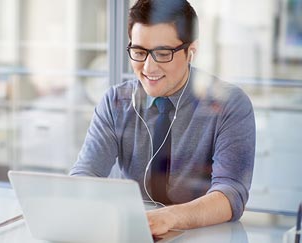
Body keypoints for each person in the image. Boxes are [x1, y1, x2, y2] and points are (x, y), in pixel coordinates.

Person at [69, 0, 255, 237]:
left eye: (163, 53)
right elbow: (87, 173)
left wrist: (169, 217)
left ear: (191, 52)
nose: (149, 67)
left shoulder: (229, 104)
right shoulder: (116, 102)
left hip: (204, 235)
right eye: (138, 52)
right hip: (135, 232)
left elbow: (231, 193)